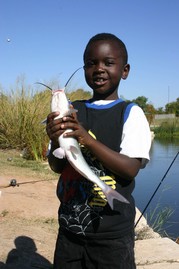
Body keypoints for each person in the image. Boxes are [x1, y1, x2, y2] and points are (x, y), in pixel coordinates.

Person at [46, 33, 151, 269]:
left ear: (125, 71)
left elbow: (130, 169)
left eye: (108, 62)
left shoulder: (131, 113)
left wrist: (86, 139)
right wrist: (54, 142)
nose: (99, 69)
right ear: (84, 68)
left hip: (112, 238)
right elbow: (57, 166)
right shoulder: (74, 110)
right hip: (69, 230)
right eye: (91, 63)